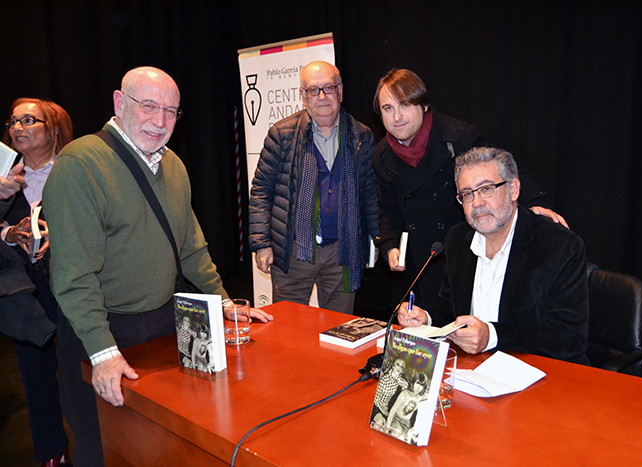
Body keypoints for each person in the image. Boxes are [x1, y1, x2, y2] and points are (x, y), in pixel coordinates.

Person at [42, 66, 273, 467]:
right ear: (119, 102)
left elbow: (192, 248)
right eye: (148, 106)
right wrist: (102, 353)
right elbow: (74, 276)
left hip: (164, 328)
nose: (161, 121)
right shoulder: (80, 164)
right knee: (104, 449)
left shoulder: (174, 167)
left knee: (162, 444)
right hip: (102, 332)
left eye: (171, 111)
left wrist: (221, 302)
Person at [372, 69, 568, 308]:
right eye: (387, 108)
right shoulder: (382, 154)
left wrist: (535, 202)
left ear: (423, 106)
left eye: (405, 105)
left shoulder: (458, 137)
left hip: (463, 252)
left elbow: (503, 168)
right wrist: (390, 245)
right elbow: (388, 208)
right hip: (420, 258)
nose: (397, 117)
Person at [398, 147, 589, 363]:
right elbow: (449, 304)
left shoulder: (558, 245)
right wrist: (426, 318)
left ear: (514, 190)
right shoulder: (459, 239)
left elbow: (570, 337)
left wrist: (493, 336)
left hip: (536, 373)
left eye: (487, 188)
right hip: (472, 369)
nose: (476, 203)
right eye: (467, 194)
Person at [249, 61, 379, 315]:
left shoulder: (361, 136)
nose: (322, 97)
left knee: (340, 331)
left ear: (340, 91)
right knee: (288, 330)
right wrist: (261, 244)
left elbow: (370, 196)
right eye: (313, 90)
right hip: (293, 251)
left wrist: (375, 241)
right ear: (303, 96)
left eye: (328, 88)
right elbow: (261, 191)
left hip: (344, 252)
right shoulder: (281, 134)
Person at [2, 98, 73, 467]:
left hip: (69, 284)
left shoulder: (73, 169)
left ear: (53, 128)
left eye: (29, 120)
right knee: (35, 378)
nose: (18, 127)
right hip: (22, 291)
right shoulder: (3, 176)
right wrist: (10, 233)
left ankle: (98, 447)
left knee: (80, 374)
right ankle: (53, 456)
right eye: (14, 121)